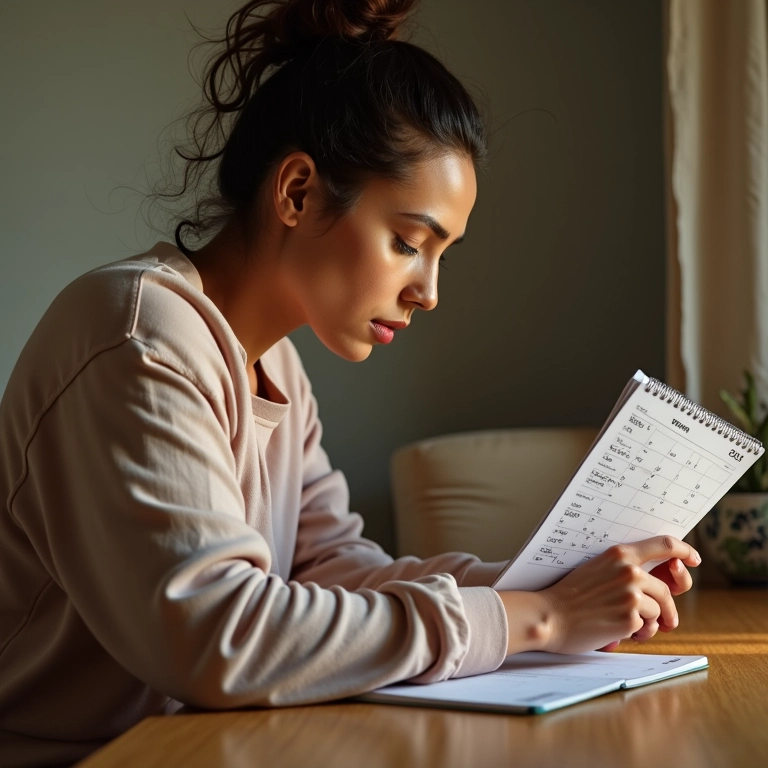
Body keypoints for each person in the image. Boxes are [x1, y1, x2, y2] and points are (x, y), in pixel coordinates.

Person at [0, 1, 700, 765]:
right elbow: (216, 636)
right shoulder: (137, 336)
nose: (428, 291)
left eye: (441, 254)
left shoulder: (277, 366)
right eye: (407, 242)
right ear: (297, 192)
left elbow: (334, 571)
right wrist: (528, 618)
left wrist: (559, 588)